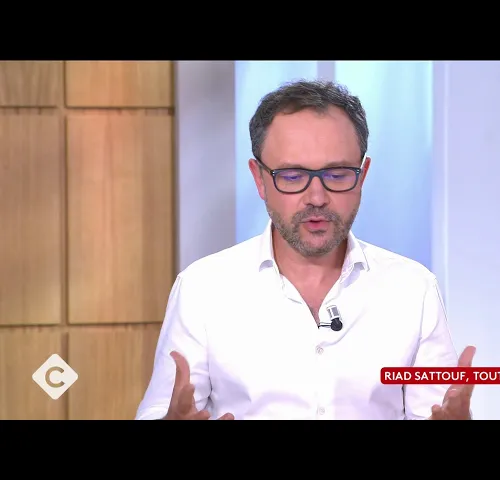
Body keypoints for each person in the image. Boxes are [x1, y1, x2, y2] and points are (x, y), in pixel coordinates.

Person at [135, 79, 476, 420]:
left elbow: (435, 411)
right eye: (293, 176)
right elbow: (160, 409)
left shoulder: (413, 289)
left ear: (362, 176)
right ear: (259, 178)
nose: (317, 197)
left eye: (337, 174)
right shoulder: (203, 288)